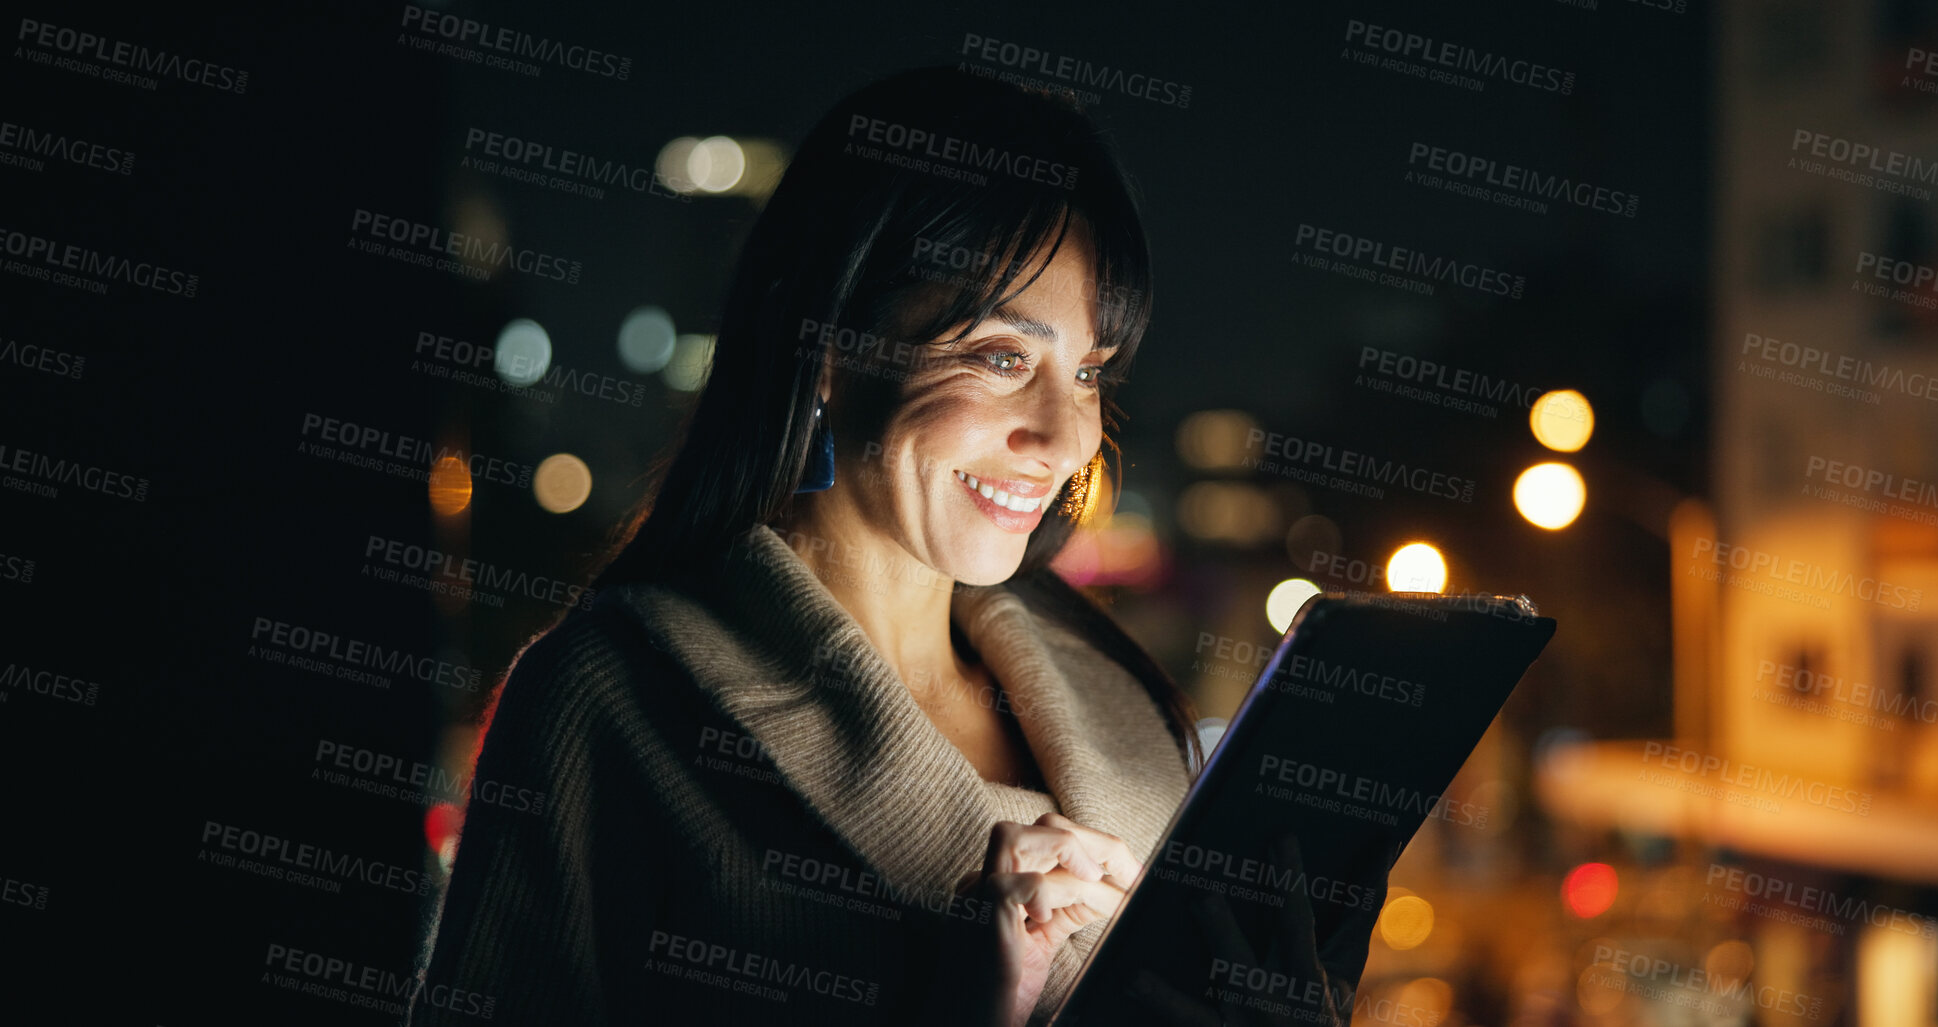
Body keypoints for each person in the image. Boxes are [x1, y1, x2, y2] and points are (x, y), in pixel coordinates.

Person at [404, 66, 1379, 1027]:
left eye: (1086, 372)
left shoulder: (1119, 697)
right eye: (1000, 357)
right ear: (828, 351)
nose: (1064, 434)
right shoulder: (614, 704)